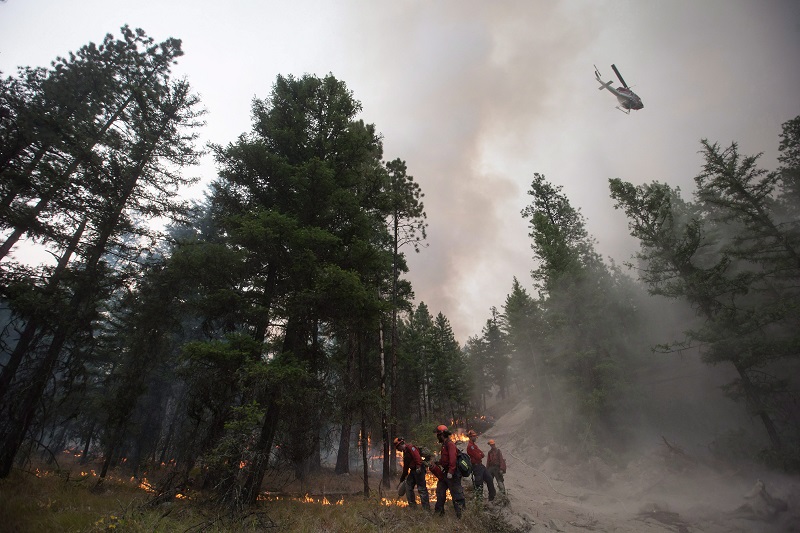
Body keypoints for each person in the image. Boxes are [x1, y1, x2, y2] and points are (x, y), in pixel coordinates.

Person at [433, 424, 466, 517]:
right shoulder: (444, 445)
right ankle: (439, 513)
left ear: (442, 434)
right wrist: (438, 463)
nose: (437, 437)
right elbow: (445, 459)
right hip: (446, 473)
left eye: (438, 435)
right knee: (440, 491)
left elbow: (452, 459)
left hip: (453, 474)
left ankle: (462, 515)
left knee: (457, 494)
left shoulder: (450, 444)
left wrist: (451, 472)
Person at [393, 437, 430, 510]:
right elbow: (406, 466)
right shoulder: (405, 452)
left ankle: (426, 509)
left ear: (401, 445)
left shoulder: (411, 447)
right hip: (413, 471)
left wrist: (418, 466)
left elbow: (417, 457)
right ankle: (413, 507)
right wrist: (403, 476)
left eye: (398, 447)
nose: (398, 450)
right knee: (408, 487)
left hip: (419, 470)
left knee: (421, 489)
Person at [466, 429, 496, 502]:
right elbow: (479, 456)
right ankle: (479, 502)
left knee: (489, 478)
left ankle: (492, 498)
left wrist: (479, 454)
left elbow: (482, 454)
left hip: (480, 465)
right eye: (474, 436)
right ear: (470, 437)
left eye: (475, 436)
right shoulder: (470, 446)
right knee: (479, 484)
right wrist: (479, 454)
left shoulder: (474, 445)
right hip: (476, 467)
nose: (475, 437)